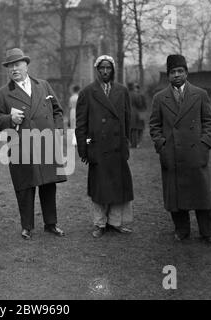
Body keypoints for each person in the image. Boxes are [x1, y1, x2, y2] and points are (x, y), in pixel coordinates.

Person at [0, 48, 66, 240]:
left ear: (26, 65)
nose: (14, 69)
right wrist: (9, 118)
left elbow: (58, 111)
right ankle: (27, 226)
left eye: (17, 64)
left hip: (46, 144)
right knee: (24, 187)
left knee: (49, 185)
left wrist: (58, 130)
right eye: (10, 66)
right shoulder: (2, 93)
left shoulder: (43, 85)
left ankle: (51, 224)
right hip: (20, 147)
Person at [149, 54, 211, 246]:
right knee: (176, 197)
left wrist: (205, 144)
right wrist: (161, 146)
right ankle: (181, 229)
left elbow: (208, 121)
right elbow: (154, 126)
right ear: (168, 75)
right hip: (172, 154)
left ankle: (208, 232)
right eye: (172, 72)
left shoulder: (200, 94)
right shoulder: (160, 98)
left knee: (201, 195)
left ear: (186, 73)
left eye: (180, 71)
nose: (176, 75)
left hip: (196, 153)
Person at [75, 55, 134, 238]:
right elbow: (81, 124)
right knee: (99, 187)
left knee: (118, 186)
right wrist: (84, 148)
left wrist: (125, 143)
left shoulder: (122, 91)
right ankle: (99, 224)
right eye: (102, 68)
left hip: (117, 146)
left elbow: (127, 119)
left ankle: (115, 222)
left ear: (113, 70)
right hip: (97, 147)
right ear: (97, 70)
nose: (105, 71)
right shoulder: (87, 92)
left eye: (108, 68)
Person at [128, 82, 146, 148]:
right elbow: (140, 104)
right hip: (137, 113)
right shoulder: (137, 95)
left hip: (128, 112)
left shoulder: (126, 94)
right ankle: (136, 143)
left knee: (130, 128)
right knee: (138, 128)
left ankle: (131, 142)